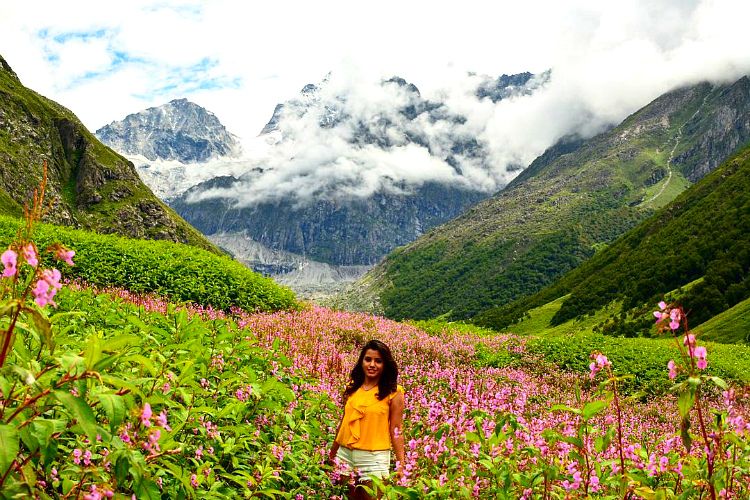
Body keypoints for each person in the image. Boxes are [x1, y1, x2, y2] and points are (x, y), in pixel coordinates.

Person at [329, 340, 405, 499]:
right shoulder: (353, 387)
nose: (372, 364)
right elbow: (343, 423)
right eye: (368, 359)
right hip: (344, 455)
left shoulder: (394, 392)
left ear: (385, 365)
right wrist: (332, 455)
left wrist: (401, 464)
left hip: (373, 458)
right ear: (361, 361)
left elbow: (396, 430)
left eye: (378, 361)